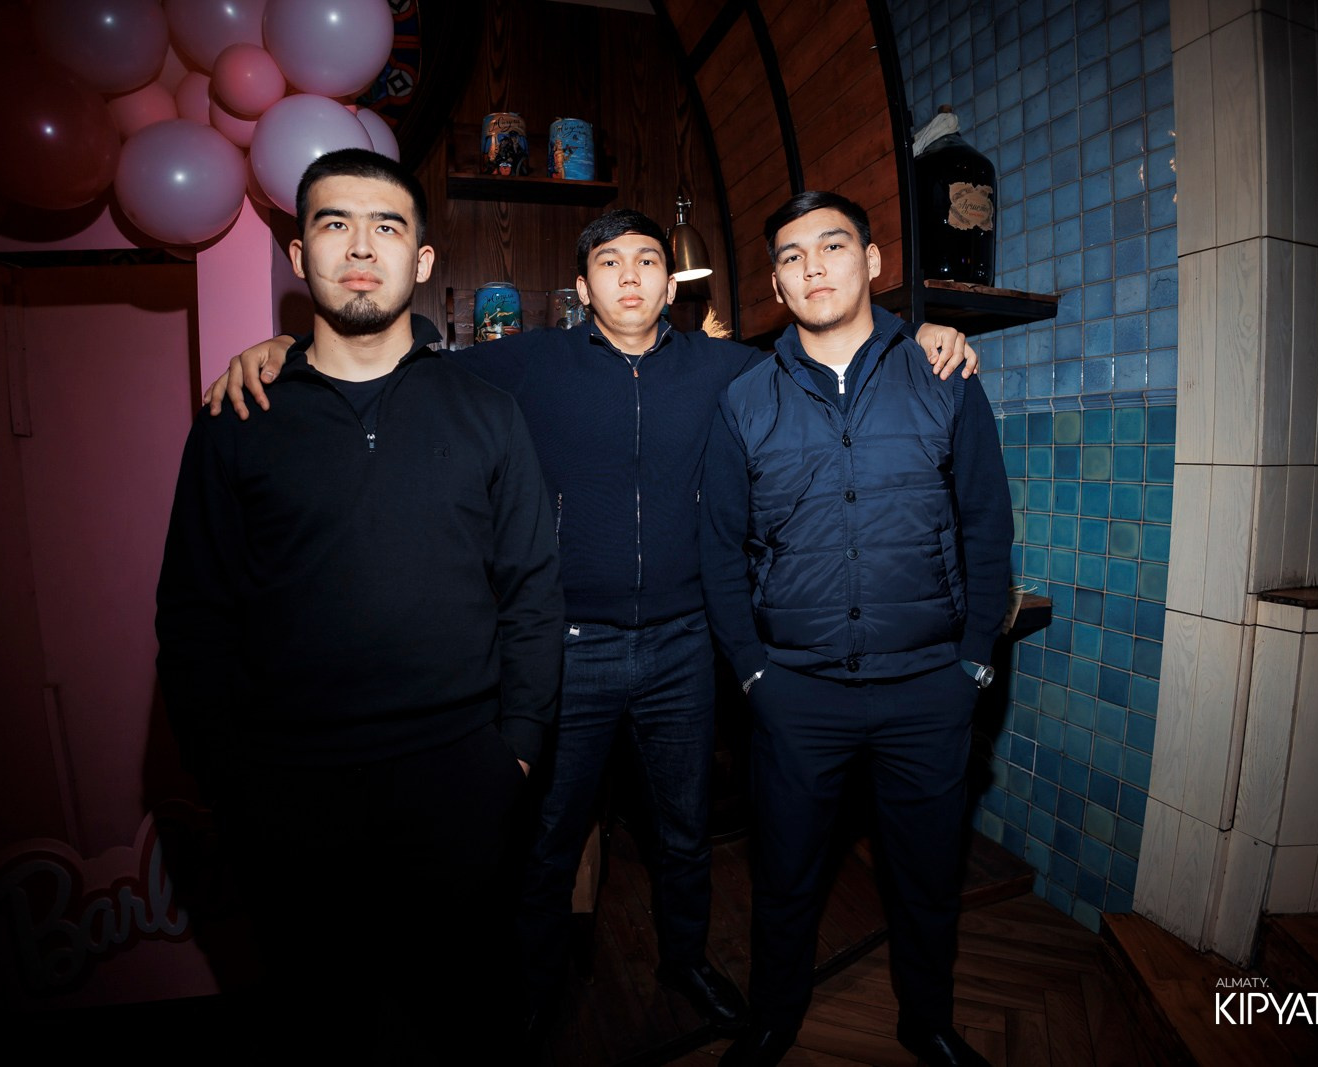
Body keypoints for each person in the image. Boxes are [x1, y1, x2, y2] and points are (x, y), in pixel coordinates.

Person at [205, 209, 980, 1042]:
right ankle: (534, 990)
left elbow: (831, 344)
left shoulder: (724, 367)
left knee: (684, 831)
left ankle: (684, 961)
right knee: (549, 834)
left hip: (685, 643)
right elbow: (415, 356)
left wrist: (925, 334)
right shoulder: (533, 360)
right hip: (571, 646)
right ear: (582, 287)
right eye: (610, 262)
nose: (631, 275)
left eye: (648, 260)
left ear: (669, 282)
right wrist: (290, 349)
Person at [155, 149, 563, 1054]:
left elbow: (533, 591)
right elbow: (193, 614)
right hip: (287, 794)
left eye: (387, 226)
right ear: (300, 256)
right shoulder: (238, 418)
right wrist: (228, 779)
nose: (362, 246)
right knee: (322, 1023)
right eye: (334, 223)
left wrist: (518, 751)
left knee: (471, 1022)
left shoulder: (488, 412)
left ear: (422, 258)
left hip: (462, 781)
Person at [699, 191, 1012, 1067]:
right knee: (786, 874)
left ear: (872, 261)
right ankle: (774, 1017)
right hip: (796, 692)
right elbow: (719, 549)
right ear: (775, 284)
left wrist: (972, 663)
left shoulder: (943, 376)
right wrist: (753, 673)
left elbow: (987, 525)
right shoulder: (744, 400)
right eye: (791, 256)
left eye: (832, 246)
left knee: (927, 874)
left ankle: (928, 1020)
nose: (813, 268)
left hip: (929, 689)